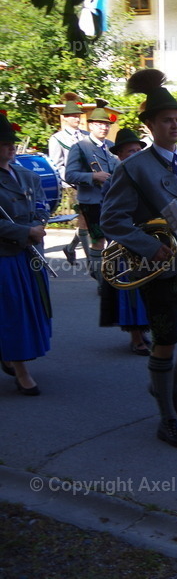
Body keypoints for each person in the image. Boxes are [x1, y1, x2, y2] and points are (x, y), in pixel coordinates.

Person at [101, 69, 177, 448]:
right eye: (166, 121)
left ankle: (171, 385)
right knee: (165, 342)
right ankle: (167, 420)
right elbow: (111, 219)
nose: (174, 126)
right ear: (150, 125)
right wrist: (148, 246)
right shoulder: (133, 167)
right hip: (157, 268)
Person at [0, 111, 51, 396]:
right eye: (4, 142)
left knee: (33, 311)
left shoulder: (27, 175)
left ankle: (10, 354)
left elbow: (43, 205)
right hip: (5, 256)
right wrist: (23, 232)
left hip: (30, 254)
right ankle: (21, 371)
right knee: (14, 313)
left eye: (11, 142)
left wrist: (39, 224)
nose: (10, 146)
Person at [98, 128, 151, 355]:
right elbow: (110, 217)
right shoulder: (115, 180)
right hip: (127, 243)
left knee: (150, 290)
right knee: (132, 293)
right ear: (120, 154)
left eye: (139, 150)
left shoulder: (147, 175)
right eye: (131, 151)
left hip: (149, 240)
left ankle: (146, 330)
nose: (136, 153)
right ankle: (136, 336)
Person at [64, 100, 117, 289]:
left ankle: (110, 275)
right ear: (91, 125)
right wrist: (93, 176)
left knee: (115, 239)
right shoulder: (80, 147)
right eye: (100, 124)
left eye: (107, 124)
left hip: (112, 200)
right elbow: (69, 174)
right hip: (92, 201)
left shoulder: (112, 145)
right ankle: (100, 279)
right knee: (98, 240)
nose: (104, 127)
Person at [48, 92, 88, 263]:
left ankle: (70, 247)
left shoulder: (86, 135)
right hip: (73, 184)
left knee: (89, 220)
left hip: (91, 182)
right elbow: (56, 165)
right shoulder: (57, 139)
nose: (77, 119)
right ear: (64, 118)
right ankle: (93, 264)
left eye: (78, 115)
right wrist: (75, 178)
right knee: (86, 220)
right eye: (72, 116)